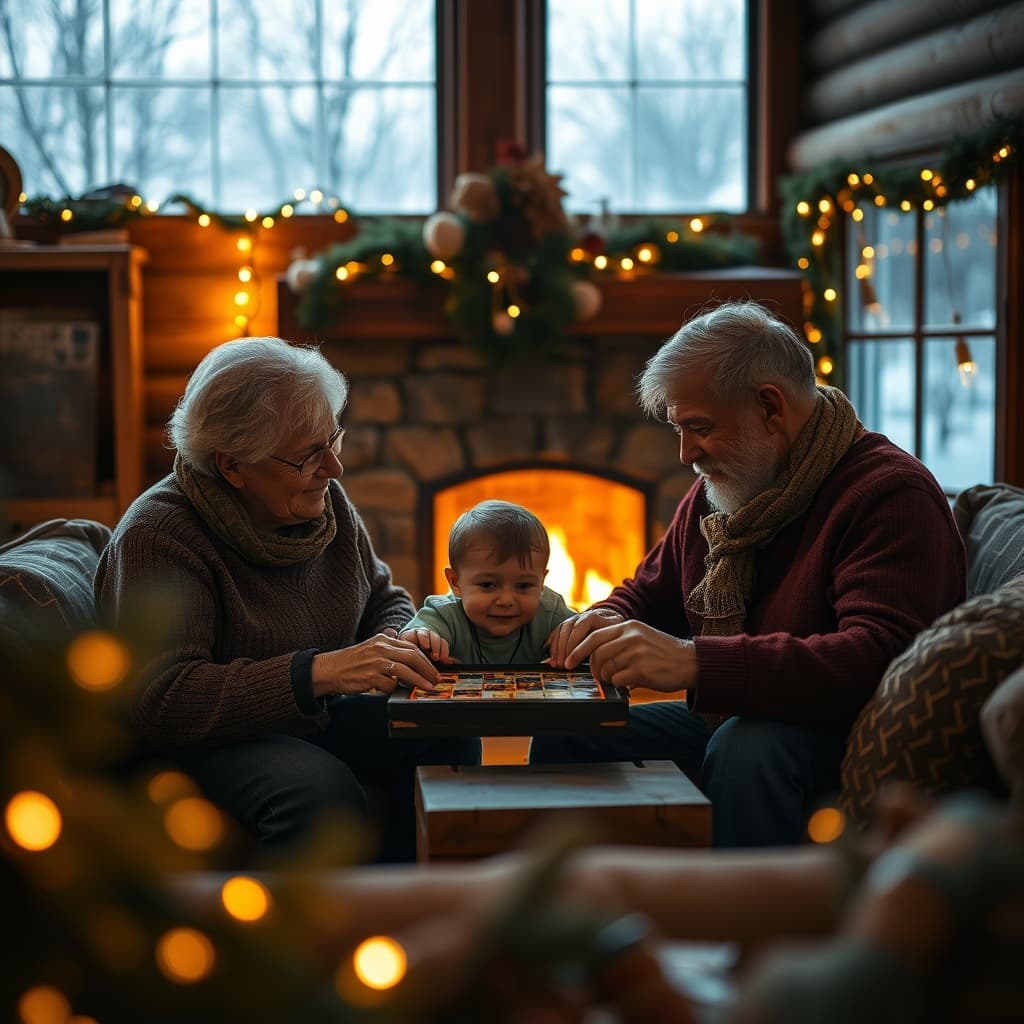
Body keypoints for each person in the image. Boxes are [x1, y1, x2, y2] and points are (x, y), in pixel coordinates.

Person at [531, 300, 966, 847]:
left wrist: (693, 661)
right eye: (678, 429)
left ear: (769, 407)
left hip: (847, 732)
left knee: (745, 748)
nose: (687, 452)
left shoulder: (889, 495)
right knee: (568, 730)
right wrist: (601, 622)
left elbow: (876, 655)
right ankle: (586, 912)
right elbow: (649, 593)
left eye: (700, 427)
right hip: (738, 715)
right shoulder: (729, 486)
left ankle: (749, 922)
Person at [94, 336, 479, 863]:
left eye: (333, 440)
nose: (334, 469)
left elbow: (384, 596)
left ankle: (401, 909)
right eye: (307, 455)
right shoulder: (160, 535)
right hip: (203, 744)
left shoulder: (322, 504)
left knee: (448, 733)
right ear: (232, 465)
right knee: (319, 793)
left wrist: (398, 643)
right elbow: (162, 698)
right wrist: (319, 672)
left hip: (319, 714)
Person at [400, 499, 575, 664]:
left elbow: (584, 634)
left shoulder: (551, 612)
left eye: (523, 586)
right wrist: (421, 641)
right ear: (455, 583)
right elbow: (413, 639)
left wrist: (574, 638)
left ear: (541, 582)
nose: (506, 600)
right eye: (487, 585)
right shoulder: (445, 615)